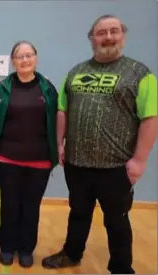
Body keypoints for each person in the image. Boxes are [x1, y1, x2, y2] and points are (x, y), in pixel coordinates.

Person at [41, 15, 157, 274]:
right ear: (92, 38)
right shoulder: (77, 72)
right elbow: (62, 110)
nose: (107, 37)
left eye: (113, 31)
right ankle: (71, 254)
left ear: (122, 36)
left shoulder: (140, 73)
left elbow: (150, 117)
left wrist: (139, 160)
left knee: (117, 221)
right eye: (101, 32)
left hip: (116, 166)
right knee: (78, 212)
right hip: (77, 162)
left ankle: (120, 267)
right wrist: (60, 145)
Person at [0, 41, 58, 268]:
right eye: (19, 56)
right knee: (10, 204)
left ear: (36, 58)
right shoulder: (3, 88)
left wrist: (57, 152)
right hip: (7, 159)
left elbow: (57, 121)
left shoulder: (48, 88)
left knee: (31, 206)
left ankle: (26, 248)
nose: (24, 59)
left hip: (39, 160)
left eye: (29, 55)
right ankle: (7, 247)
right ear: (13, 61)